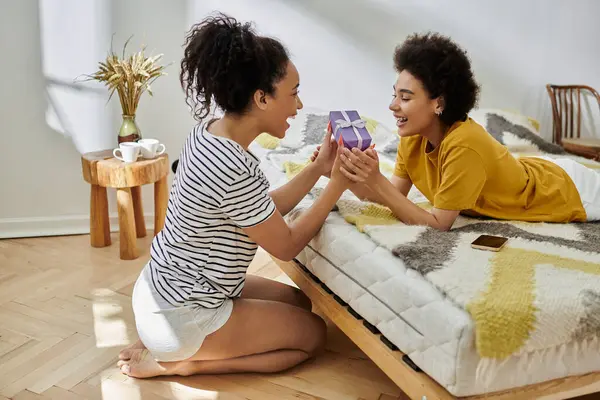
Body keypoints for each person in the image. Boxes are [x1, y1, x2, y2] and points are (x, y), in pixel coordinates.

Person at [117, 13, 350, 378]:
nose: (299, 106)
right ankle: (179, 364)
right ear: (261, 98)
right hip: (183, 313)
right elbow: (286, 246)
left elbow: (258, 211)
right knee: (313, 336)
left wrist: (318, 169)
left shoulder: (207, 133)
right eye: (293, 94)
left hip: (162, 290)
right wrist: (336, 185)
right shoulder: (234, 167)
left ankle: (160, 341)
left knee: (300, 302)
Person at [329, 32, 600, 231]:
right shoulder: (412, 137)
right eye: (395, 95)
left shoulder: (464, 144)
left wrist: (376, 181)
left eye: (405, 97)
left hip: (568, 191)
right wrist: (345, 172)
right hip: (538, 172)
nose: (392, 105)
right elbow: (392, 195)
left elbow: (438, 224)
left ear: (439, 103)